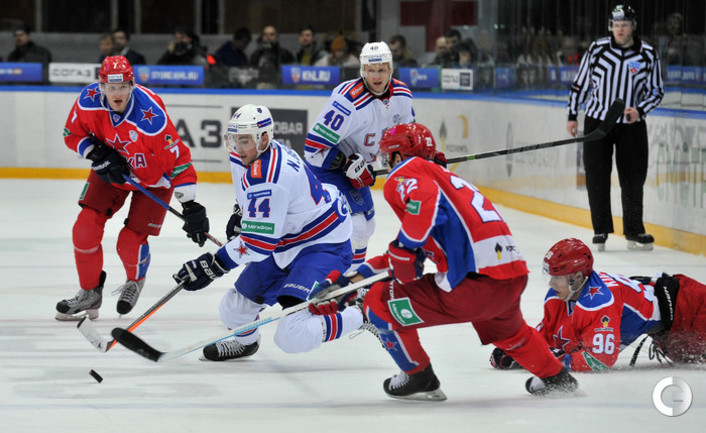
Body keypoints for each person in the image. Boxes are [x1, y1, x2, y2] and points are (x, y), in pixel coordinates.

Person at [311, 123, 579, 401]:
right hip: (510, 278)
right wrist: (349, 283)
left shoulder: (408, 172)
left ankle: (418, 375)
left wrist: (405, 247)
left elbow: (421, 205)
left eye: (388, 158)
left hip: (473, 284)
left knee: (379, 301)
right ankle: (556, 377)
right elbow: (406, 256)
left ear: (398, 156)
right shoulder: (448, 182)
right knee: (509, 334)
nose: (388, 166)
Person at [172, 104, 379, 362]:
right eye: (235, 139)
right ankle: (246, 343)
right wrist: (243, 213)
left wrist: (214, 264)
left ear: (263, 138)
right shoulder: (256, 154)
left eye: (244, 140)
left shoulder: (270, 174)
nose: (238, 147)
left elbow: (258, 244)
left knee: (292, 334)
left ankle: (364, 312)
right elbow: (259, 206)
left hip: (322, 244)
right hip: (288, 239)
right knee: (233, 309)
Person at [55, 56, 210, 321]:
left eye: (123, 87)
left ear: (132, 85)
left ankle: (134, 281)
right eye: (111, 87)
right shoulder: (88, 101)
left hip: (153, 181)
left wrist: (190, 205)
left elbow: (179, 160)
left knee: (129, 242)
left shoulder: (151, 118)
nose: (117, 94)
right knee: (84, 229)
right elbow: (72, 134)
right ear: (101, 87)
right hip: (112, 172)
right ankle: (89, 292)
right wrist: (97, 153)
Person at [490, 238, 706, 372]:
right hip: (673, 324)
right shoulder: (560, 294)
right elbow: (548, 333)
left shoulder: (599, 302)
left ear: (576, 277)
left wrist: (550, 361)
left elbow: (599, 360)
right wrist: (517, 350)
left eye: (557, 277)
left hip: (691, 308)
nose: (551, 283)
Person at [304, 41, 414, 270]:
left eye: (381, 70)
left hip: (358, 168)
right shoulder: (347, 100)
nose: (376, 76)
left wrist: (424, 158)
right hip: (326, 168)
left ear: (390, 69)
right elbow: (313, 148)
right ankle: (335, 276)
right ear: (363, 70)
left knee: (367, 227)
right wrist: (347, 164)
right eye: (371, 70)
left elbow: (406, 138)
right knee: (354, 225)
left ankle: (353, 281)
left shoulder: (403, 95)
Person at [567, 5, 664, 252]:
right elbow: (580, 84)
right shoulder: (597, 49)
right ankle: (600, 229)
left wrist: (639, 110)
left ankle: (634, 229)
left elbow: (656, 91)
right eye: (616, 25)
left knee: (633, 179)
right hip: (598, 122)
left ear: (633, 26)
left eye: (624, 25)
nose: (619, 30)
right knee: (596, 176)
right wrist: (572, 115)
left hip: (632, 125)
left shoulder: (647, 54)